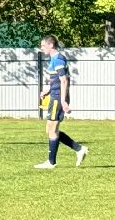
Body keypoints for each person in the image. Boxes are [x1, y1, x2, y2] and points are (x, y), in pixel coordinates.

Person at [35, 35, 89, 170]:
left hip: (58, 97)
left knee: (52, 130)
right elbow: (56, 79)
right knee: (50, 130)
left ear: (50, 45)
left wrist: (63, 100)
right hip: (54, 95)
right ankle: (79, 149)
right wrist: (47, 90)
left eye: (43, 46)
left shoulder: (58, 59)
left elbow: (64, 80)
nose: (41, 48)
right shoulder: (54, 59)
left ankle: (51, 162)